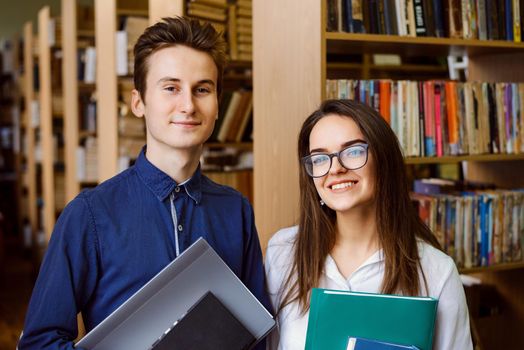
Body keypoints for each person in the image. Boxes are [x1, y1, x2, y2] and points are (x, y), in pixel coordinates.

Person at [19, 17, 271, 349]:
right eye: (171, 88)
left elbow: (256, 332)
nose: (188, 105)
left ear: (217, 104)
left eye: (202, 89)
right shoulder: (90, 215)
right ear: (138, 102)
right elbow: (39, 342)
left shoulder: (235, 209)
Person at [265, 99, 473, 350]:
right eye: (320, 158)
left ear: (383, 160)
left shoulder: (437, 272)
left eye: (353, 151)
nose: (336, 169)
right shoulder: (283, 252)